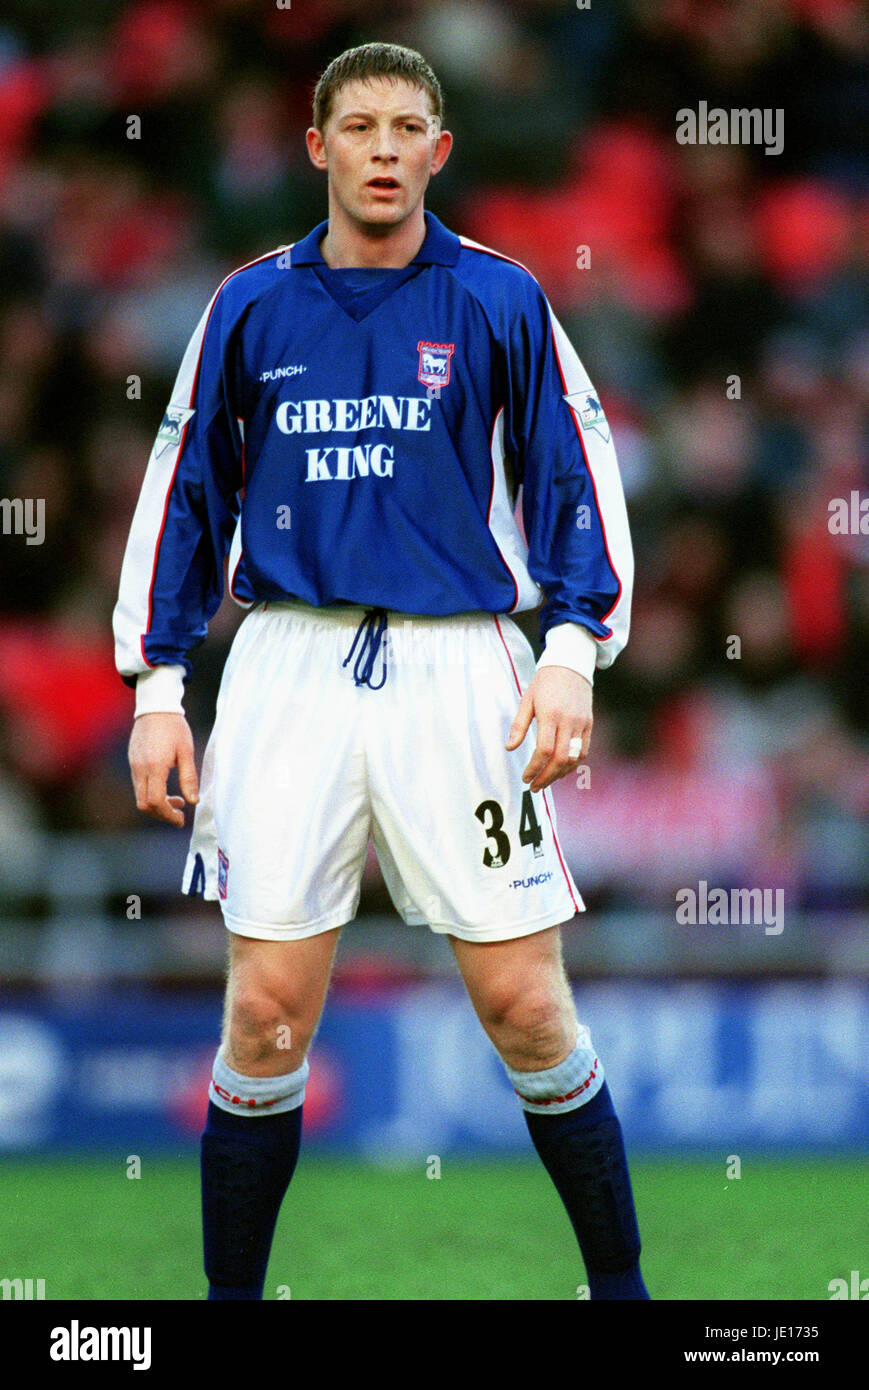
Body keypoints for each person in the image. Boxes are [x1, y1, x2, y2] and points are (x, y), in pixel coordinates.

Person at [113, 41, 647, 1301]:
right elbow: (180, 497)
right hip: (289, 666)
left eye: (410, 126)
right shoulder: (248, 303)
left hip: (461, 666)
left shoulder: (501, 297)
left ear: (439, 151)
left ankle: (620, 1295)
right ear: (319, 148)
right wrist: (155, 686)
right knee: (264, 1015)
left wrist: (571, 648)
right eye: (360, 126)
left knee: (523, 1004)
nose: (386, 148)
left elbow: (581, 478)